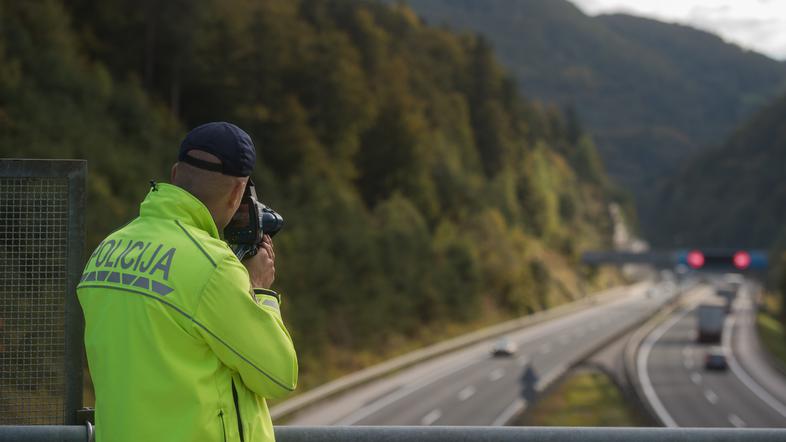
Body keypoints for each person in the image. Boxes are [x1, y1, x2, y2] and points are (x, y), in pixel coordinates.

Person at [77, 122, 298, 442]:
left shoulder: (107, 250)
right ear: (239, 191)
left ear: (176, 174)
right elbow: (279, 375)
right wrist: (259, 289)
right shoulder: (213, 266)